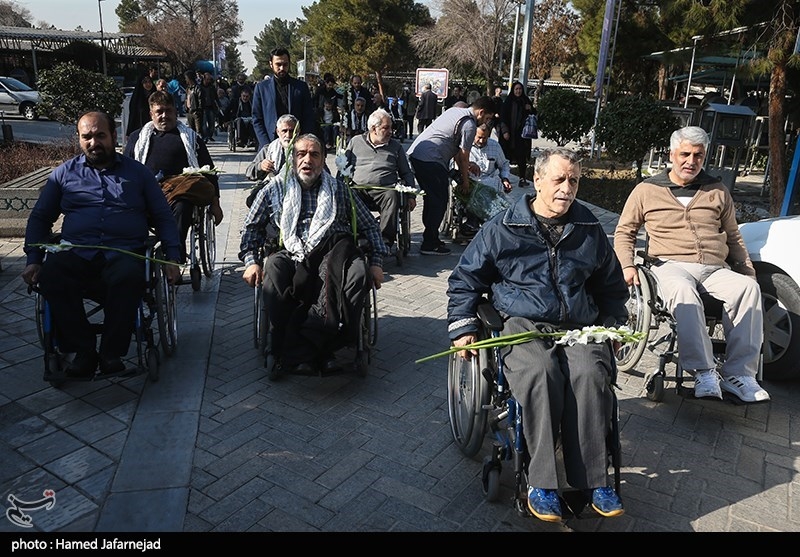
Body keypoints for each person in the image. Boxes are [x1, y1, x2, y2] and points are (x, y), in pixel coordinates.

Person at [447, 147, 628, 522]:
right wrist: (464, 326)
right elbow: (465, 279)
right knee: (541, 373)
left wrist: (613, 322)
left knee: (590, 374)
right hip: (522, 322)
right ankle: (540, 482)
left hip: (578, 325)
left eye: (574, 180)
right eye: (559, 179)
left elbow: (610, 285)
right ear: (538, 179)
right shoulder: (503, 227)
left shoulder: (589, 229)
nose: (567, 188)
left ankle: (595, 480)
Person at [613, 126, 770, 403]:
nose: (691, 161)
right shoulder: (647, 190)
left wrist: (748, 272)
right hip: (669, 265)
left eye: (698, 155)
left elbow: (734, 236)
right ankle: (703, 371)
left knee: (748, 289)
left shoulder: (717, 190)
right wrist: (627, 266)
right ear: (672, 154)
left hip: (715, 267)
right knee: (684, 293)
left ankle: (739, 375)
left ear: (704, 156)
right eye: (685, 154)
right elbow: (625, 232)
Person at [22, 111, 182, 377]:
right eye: (87, 137)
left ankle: (111, 352)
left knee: (129, 277)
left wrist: (171, 257)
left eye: (100, 136)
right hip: (77, 251)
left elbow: (164, 217)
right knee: (51, 277)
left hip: (123, 252)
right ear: (79, 139)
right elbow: (40, 218)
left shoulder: (138, 173)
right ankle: (83, 351)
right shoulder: (63, 174)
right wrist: (33, 259)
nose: (93, 142)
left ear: (113, 137)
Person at [239, 133, 388, 379]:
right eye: (301, 154)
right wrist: (251, 262)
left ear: (322, 161)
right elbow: (251, 227)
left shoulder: (339, 190)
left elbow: (370, 227)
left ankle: (337, 345)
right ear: (292, 159)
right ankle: (287, 347)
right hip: (289, 250)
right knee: (274, 270)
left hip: (332, 249)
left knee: (357, 271)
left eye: (314, 154)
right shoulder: (275, 188)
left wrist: (377, 263)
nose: (307, 159)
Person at [123, 90, 224, 265]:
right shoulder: (137, 138)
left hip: (178, 194)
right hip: (146, 193)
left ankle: (173, 255)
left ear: (175, 112)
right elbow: (123, 171)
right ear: (151, 114)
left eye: (168, 111)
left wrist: (215, 204)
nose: (164, 116)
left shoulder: (190, 138)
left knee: (183, 205)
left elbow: (209, 171)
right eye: (159, 112)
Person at [407, 95, 495, 255]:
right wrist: (466, 182)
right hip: (431, 159)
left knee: (432, 198)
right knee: (439, 200)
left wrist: (467, 166)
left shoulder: (455, 111)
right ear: (481, 112)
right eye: (487, 118)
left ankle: (431, 236)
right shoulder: (469, 125)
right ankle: (429, 243)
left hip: (418, 155)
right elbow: (463, 156)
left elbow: (454, 147)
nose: (486, 122)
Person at [343, 108, 417, 254]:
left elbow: (406, 172)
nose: (391, 131)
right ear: (373, 129)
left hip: (384, 190)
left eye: (391, 127)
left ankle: (384, 241)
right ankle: (358, 237)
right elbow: (343, 167)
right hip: (359, 189)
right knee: (347, 195)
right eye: (386, 127)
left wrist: (411, 195)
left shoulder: (395, 147)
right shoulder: (355, 142)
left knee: (392, 196)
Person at [252, 47, 317, 151]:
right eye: (278, 64)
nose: (282, 68)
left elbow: (308, 117)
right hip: (269, 144)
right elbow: (257, 119)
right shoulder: (261, 88)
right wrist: (266, 145)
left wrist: (303, 141)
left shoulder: (301, 87)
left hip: (296, 144)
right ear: (271, 64)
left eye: (285, 64)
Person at [245, 113, 298, 191]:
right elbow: (249, 172)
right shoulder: (268, 149)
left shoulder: (304, 150)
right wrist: (261, 166)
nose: (288, 135)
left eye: (292, 131)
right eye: (284, 131)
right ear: (278, 132)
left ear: (298, 131)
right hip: (271, 190)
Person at [499, 81, 535, 187]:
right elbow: (503, 118)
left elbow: (534, 115)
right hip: (509, 135)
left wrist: (531, 109)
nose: (518, 91)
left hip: (522, 136)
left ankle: (522, 178)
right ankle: (504, 178)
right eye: (516, 89)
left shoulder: (526, 101)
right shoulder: (508, 102)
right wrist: (505, 131)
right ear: (513, 90)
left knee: (521, 157)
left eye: (520, 89)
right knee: (505, 157)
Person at [125, 73, 154, 139]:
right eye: (145, 82)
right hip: (139, 128)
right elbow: (132, 115)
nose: (148, 84)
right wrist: (129, 132)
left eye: (150, 82)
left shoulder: (155, 95)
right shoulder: (137, 98)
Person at [199, 72, 219, 142]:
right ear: (204, 79)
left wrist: (218, 105)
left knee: (212, 125)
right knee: (204, 125)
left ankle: (209, 135)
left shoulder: (212, 87)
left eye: (209, 79)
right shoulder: (199, 87)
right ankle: (205, 137)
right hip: (203, 107)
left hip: (211, 107)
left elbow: (216, 97)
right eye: (207, 79)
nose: (208, 81)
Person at [184, 70, 202, 136]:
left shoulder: (198, 88)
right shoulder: (188, 88)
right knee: (191, 130)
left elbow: (200, 99)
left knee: (198, 131)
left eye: (186, 78)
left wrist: (199, 110)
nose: (185, 80)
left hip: (196, 112)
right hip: (189, 111)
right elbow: (186, 99)